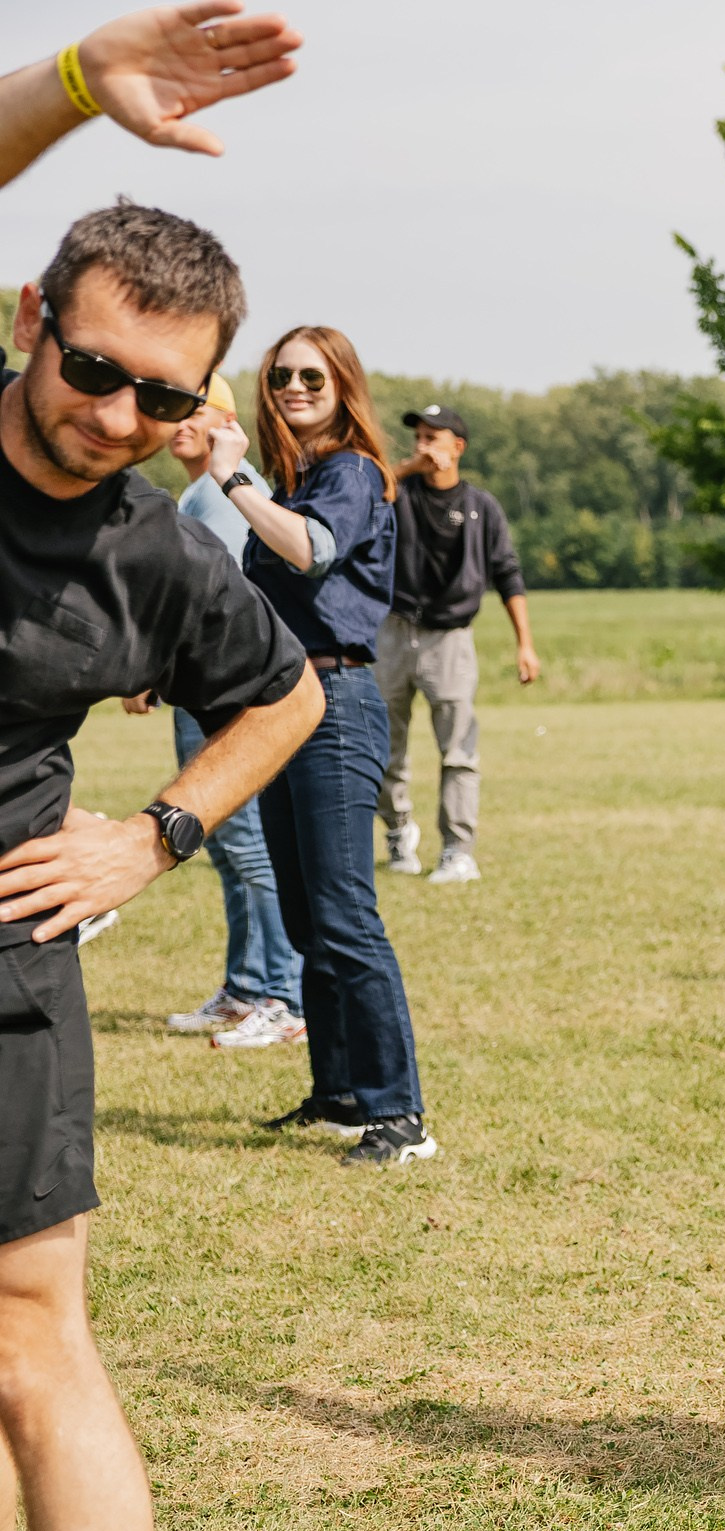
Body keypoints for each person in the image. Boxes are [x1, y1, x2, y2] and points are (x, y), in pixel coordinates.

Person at [0, 199, 317, 1531]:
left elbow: (287, 696)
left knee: (28, 1328)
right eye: (95, 369)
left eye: (170, 397)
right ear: (27, 321)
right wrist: (71, 87)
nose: (121, 416)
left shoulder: (156, 554)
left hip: (2, 965)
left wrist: (158, 832)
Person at [219, 327, 435, 1167]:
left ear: (344, 386)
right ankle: (340, 1092)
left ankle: (399, 1116)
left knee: (345, 913)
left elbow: (310, 553)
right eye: (281, 375)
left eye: (313, 374)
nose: (295, 386)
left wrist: (229, 476)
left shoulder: (349, 471)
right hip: (282, 702)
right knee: (308, 913)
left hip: (335, 703)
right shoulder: (296, 480)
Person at [118, 372, 305, 1049]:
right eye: (174, 413)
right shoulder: (200, 491)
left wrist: (153, 672)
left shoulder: (224, 496)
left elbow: (207, 612)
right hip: (201, 696)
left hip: (225, 702)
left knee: (249, 850)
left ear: (227, 423)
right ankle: (246, 988)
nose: (178, 425)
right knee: (226, 847)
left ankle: (282, 998)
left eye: (194, 413)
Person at [375, 401, 538, 885]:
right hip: (393, 632)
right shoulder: (395, 492)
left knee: (458, 751)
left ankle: (457, 851)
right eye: (418, 437)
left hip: (451, 641)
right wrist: (408, 468)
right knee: (384, 748)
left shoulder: (481, 507)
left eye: (433, 438)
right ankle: (399, 830)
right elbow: (367, 486)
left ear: (457, 447)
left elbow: (508, 573)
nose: (423, 446)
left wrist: (524, 644)